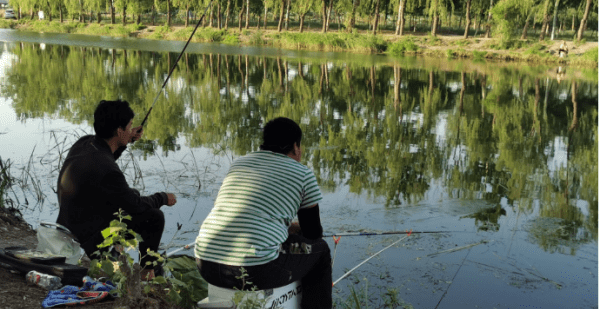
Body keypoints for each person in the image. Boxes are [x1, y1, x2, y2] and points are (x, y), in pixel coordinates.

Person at [195, 117, 332, 308]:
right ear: (295, 146)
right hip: (254, 270)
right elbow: (313, 233)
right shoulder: (302, 174)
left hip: (205, 263)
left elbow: (249, 213)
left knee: (286, 242)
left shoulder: (240, 163)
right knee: (321, 250)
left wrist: (285, 228)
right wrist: (295, 229)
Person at [56, 100, 177, 280]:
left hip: (68, 223)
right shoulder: (108, 171)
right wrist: (162, 197)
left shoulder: (86, 143)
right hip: (87, 239)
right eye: (128, 127)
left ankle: (114, 253)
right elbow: (136, 205)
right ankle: (147, 273)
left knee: (130, 195)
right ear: (119, 131)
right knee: (153, 216)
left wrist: (125, 141)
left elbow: (104, 158)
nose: (131, 129)